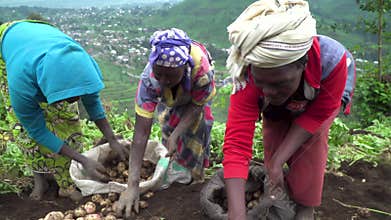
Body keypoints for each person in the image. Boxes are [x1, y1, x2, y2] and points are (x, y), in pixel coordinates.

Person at [222, 1, 356, 219]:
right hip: (285, 103)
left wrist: (278, 161)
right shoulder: (247, 80)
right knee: (274, 140)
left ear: (302, 65)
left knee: (311, 147)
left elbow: (317, 116)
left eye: (280, 83)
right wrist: (236, 214)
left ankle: (305, 207)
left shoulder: (332, 62)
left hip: (318, 99)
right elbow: (237, 146)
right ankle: (279, 197)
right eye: (261, 82)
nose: (268, 91)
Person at [0, 20, 129, 201]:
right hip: (8, 45)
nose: (75, 100)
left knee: (67, 118)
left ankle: (66, 179)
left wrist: (112, 139)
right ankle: (40, 179)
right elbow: (37, 130)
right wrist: (84, 160)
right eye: (69, 96)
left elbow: (92, 103)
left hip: (41, 39)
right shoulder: (20, 82)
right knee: (24, 130)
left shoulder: (78, 64)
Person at [115, 28, 216, 217]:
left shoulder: (202, 72)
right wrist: (132, 186)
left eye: (170, 76)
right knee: (168, 124)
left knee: (197, 130)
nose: (163, 80)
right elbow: (141, 134)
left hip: (193, 94)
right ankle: (174, 168)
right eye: (159, 73)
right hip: (172, 97)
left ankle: (194, 176)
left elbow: (196, 106)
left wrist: (178, 133)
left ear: (183, 67)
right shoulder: (149, 81)